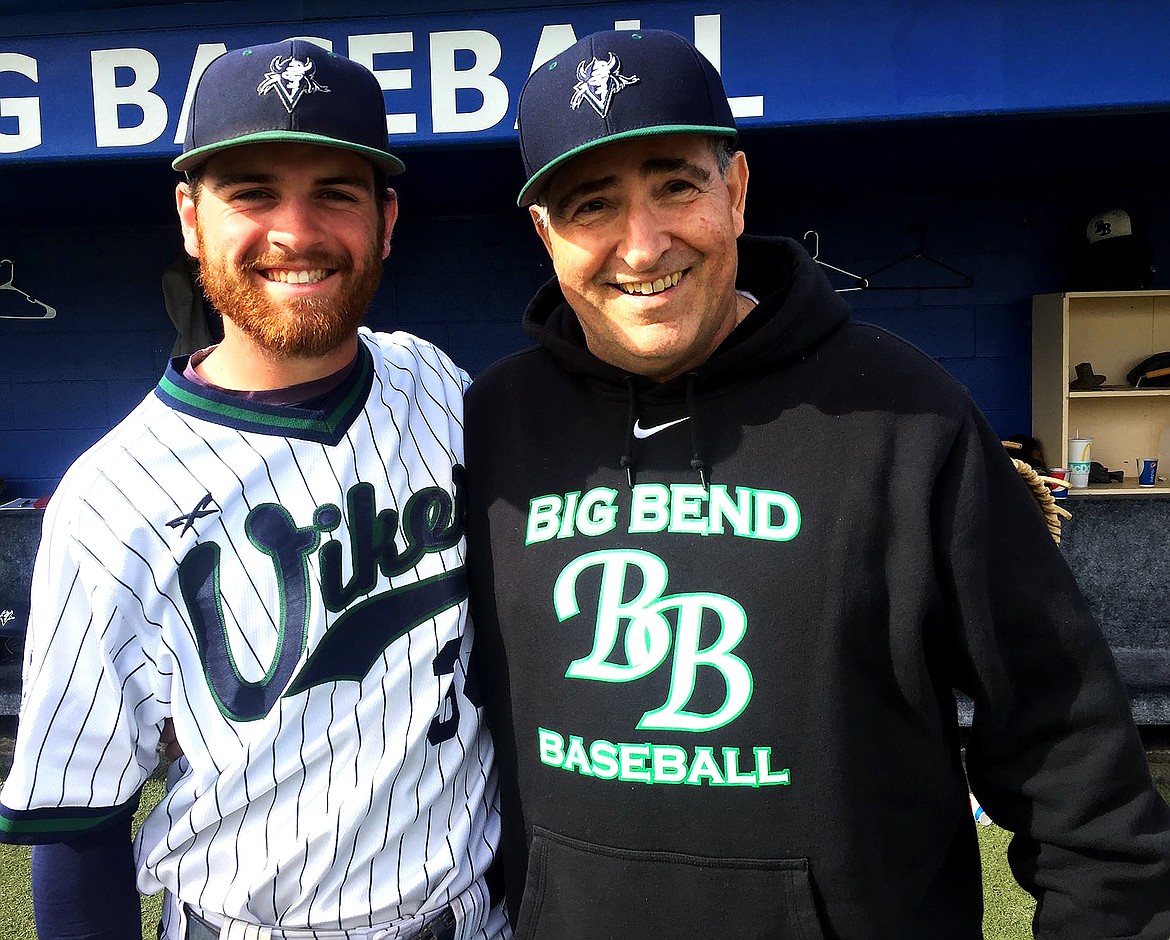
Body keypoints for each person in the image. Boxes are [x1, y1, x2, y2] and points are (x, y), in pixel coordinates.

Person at [464, 28, 1170, 938]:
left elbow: (1076, 772)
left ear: (737, 188)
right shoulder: (492, 424)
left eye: (677, 184)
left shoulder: (906, 415)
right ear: (544, 233)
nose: (642, 247)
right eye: (591, 204)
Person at [0, 38, 506, 940]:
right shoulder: (112, 498)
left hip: (477, 918)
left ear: (387, 221)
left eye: (335, 194)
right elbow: (75, 820)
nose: (297, 232)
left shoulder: (434, 382)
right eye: (253, 192)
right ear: (191, 218)